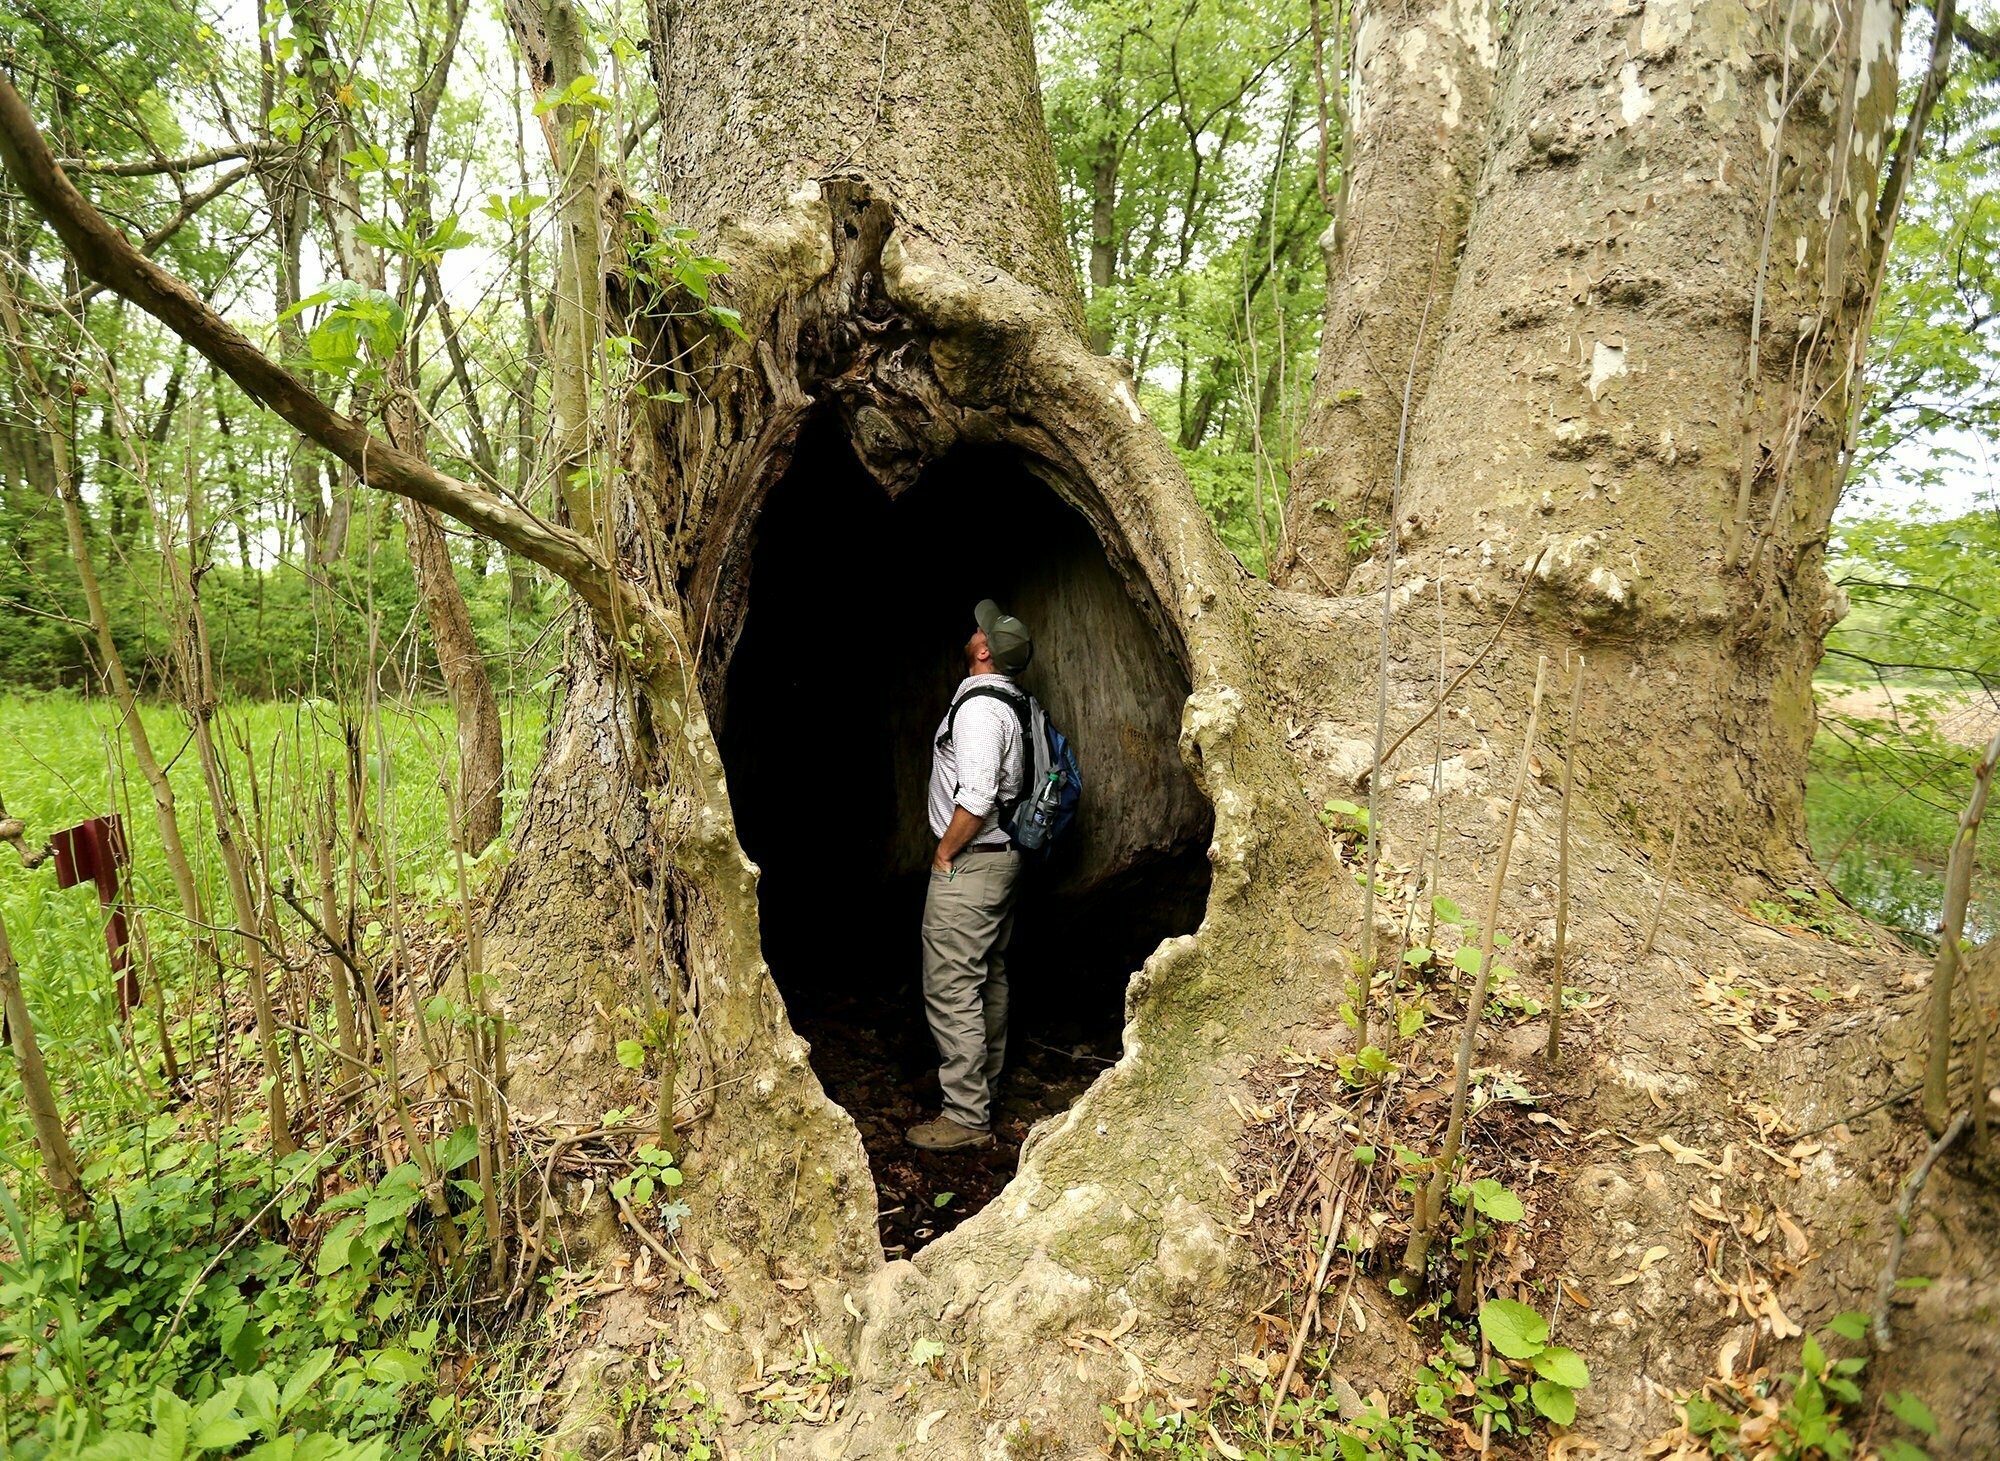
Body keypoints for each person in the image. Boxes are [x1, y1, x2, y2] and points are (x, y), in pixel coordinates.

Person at [906, 599, 1035, 1152]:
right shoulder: (1012, 705)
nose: (974, 628)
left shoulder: (982, 712)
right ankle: (982, 1085)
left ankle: (965, 1116)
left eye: (981, 629)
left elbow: (978, 796)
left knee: (952, 983)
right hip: (1000, 861)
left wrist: (943, 852)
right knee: (989, 975)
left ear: (984, 651)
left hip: (973, 863)